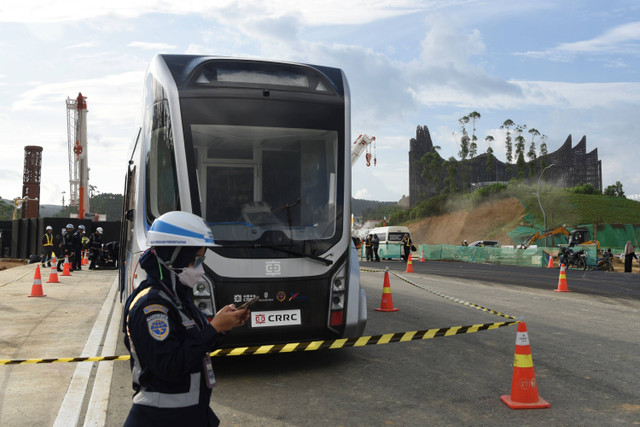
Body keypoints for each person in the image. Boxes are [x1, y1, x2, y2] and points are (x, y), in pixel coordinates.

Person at [122, 211, 249, 426]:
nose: (199, 267)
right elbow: (169, 366)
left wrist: (221, 327)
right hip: (160, 419)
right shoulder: (152, 308)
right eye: (195, 259)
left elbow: (195, 344)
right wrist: (213, 329)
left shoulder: (177, 298)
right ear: (175, 257)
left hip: (188, 416)